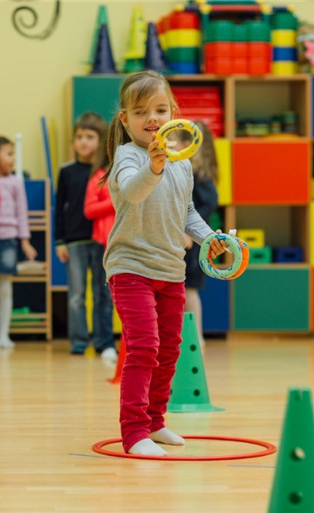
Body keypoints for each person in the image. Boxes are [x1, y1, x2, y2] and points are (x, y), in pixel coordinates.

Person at [102, 70, 226, 457]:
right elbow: (134, 193)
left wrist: (212, 238)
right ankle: (134, 431)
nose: (152, 118)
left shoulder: (182, 163)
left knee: (170, 348)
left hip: (171, 270)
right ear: (125, 120)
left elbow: (187, 212)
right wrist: (153, 166)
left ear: (173, 112)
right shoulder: (127, 156)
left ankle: (155, 422)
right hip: (131, 267)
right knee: (143, 347)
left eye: (159, 109)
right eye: (141, 112)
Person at [55, 112, 116, 360]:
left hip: (101, 240)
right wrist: (60, 241)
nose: (83, 142)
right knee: (76, 295)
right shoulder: (67, 171)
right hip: (75, 240)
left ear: (100, 140)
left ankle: (104, 342)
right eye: (79, 137)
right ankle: (79, 341)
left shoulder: (105, 171)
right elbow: (59, 208)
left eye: (89, 137)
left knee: (103, 294)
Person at [0, 136, 37, 348]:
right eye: (8, 154)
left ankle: (4, 334)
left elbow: (22, 212)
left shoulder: (15, 182)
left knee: (4, 287)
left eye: (13, 154)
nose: (12, 159)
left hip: (8, 239)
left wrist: (25, 241)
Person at [176, 122, 219, 351]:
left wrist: (189, 233)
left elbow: (210, 202)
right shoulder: (186, 170)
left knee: (189, 289)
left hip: (191, 245)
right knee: (182, 290)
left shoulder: (197, 173)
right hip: (183, 241)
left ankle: (197, 340)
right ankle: (189, 340)